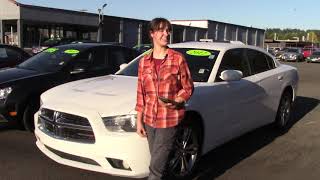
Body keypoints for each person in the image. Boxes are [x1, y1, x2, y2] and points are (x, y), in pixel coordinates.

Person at [135, 17, 194, 180]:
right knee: (160, 161)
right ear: (152, 34)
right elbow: (141, 92)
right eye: (161, 30)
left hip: (168, 119)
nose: (166, 33)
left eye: (168, 30)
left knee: (155, 167)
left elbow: (188, 87)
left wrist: (178, 100)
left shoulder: (177, 59)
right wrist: (139, 120)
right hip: (149, 120)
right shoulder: (144, 62)